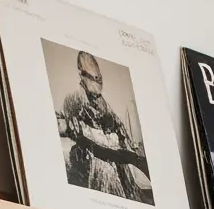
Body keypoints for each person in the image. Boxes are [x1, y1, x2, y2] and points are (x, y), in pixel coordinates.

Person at [56, 52, 152, 201]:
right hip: (94, 158)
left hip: (114, 157)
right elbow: (78, 133)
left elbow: (117, 124)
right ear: (82, 77)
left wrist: (127, 144)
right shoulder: (73, 99)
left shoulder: (102, 102)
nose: (96, 94)